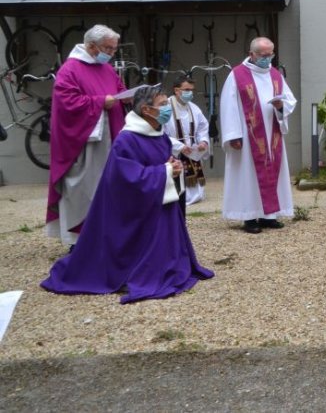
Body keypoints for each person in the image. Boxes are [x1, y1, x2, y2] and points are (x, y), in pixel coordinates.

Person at [41, 85, 213, 303]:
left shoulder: (158, 134)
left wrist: (172, 166)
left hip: (158, 202)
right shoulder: (127, 140)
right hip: (135, 209)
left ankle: (169, 265)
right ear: (146, 110)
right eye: (162, 105)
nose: (167, 108)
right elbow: (128, 179)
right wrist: (166, 171)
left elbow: (161, 163)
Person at [45, 24, 126, 248]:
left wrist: (127, 97)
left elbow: (118, 89)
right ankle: (79, 241)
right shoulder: (70, 70)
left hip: (111, 138)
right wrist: (101, 102)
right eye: (107, 49)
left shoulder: (107, 68)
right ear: (91, 46)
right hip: (84, 144)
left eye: (113, 50)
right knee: (84, 190)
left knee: (110, 189)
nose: (110, 54)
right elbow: (66, 103)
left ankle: (106, 237)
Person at [219, 37, 296, 234]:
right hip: (248, 134)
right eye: (264, 55)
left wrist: (281, 107)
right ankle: (249, 216)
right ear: (252, 54)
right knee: (248, 176)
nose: (268, 58)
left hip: (272, 134)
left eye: (271, 54)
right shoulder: (237, 75)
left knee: (272, 173)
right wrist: (233, 134)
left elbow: (289, 100)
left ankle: (269, 215)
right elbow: (228, 106)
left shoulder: (276, 75)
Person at [165, 72, 211, 205]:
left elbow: (203, 127)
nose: (190, 93)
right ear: (176, 90)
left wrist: (203, 141)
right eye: (186, 90)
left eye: (192, 90)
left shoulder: (194, 108)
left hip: (192, 150)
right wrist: (179, 147)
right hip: (174, 150)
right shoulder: (166, 107)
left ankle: (196, 194)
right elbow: (161, 132)